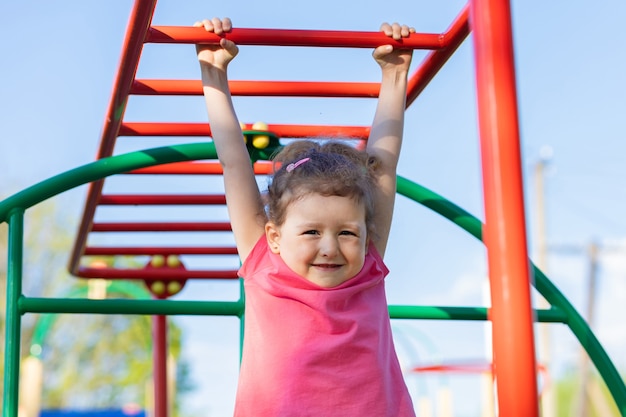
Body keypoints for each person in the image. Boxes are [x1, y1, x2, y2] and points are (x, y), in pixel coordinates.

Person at [195, 17, 416, 417]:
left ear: (365, 234)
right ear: (274, 235)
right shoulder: (265, 263)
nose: (330, 248)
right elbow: (234, 163)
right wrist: (214, 72)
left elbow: (382, 166)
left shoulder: (366, 266)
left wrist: (395, 74)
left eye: (348, 232)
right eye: (311, 231)